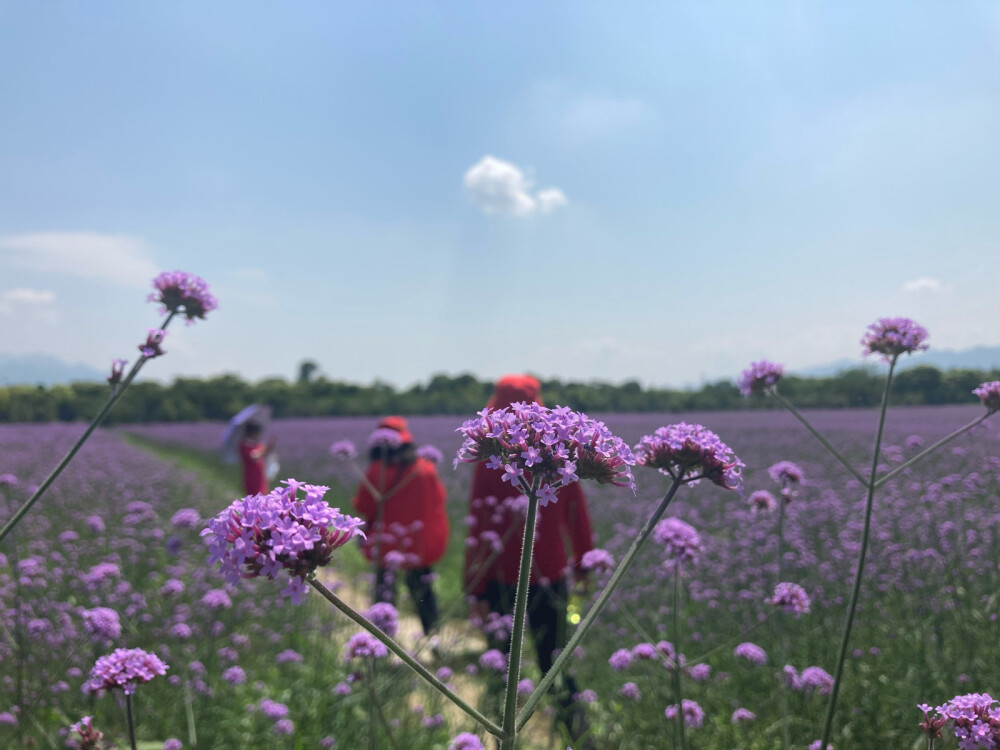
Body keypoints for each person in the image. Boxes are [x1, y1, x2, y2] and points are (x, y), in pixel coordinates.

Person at [464, 374, 595, 744]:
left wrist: (473, 585)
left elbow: (476, 526)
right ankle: (582, 741)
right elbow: (577, 516)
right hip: (550, 574)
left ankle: (495, 738)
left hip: (499, 577)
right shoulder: (560, 456)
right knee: (555, 666)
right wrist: (583, 562)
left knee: (501, 671)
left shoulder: (494, 457)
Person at [352, 416, 449, 636]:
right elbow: (439, 500)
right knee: (422, 591)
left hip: (385, 543)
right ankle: (433, 636)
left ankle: (382, 638)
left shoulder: (377, 470)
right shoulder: (426, 468)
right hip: (418, 542)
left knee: (384, 592)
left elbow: (364, 505)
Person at [239, 421, 274, 496]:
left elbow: (264, 453)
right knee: (254, 496)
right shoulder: (244, 444)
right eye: (256, 433)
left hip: (260, 476)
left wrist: (269, 448)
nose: (258, 435)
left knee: (263, 494)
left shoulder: (258, 444)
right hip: (252, 477)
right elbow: (254, 457)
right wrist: (267, 449)